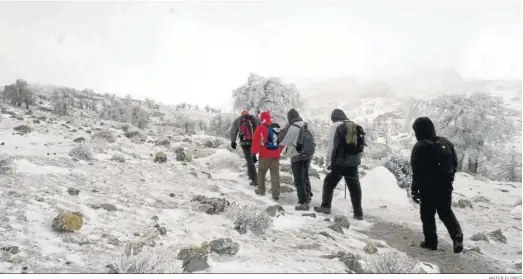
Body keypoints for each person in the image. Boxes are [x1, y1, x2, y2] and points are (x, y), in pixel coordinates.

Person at [410, 117, 464, 253]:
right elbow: (455, 164)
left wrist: (414, 189)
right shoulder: (447, 143)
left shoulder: (420, 146)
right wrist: (449, 179)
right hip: (445, 185)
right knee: (445, 212)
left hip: (427, 187)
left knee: (427, 214)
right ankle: (457, 234)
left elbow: (416, 170)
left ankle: (431, 242)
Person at [314, 109, 364, 220]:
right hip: (353, 162)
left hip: (340, 162)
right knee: (354, 187)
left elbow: (331, 146)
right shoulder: (353, 125)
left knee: (328, 183)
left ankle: (326, 206)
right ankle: (358, 213)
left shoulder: (335, 126)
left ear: (334, 118)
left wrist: (328, 161)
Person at [279, 109, 315, 210]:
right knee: (305, 176)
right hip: (307, 155)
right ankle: (308, 196)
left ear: (289, 117)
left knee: (299, 179)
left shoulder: (292, 127)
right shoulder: (307, 125)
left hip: (296, 156)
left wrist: (285, 128)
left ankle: (303, 203)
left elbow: (282, 140)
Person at [251, 111, 285, 200]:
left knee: (261, 172)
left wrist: (254, 153)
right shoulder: (276, 128)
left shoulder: (260, 128)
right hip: (276, 156)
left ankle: (261, 190)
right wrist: (278, 151)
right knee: (275, 174)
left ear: (262, 118)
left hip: (264, 155)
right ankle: (276, 194)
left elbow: (255, 142)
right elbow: (282, 141)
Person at [230, 109, 259, 186]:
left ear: (241, 114)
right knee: (251, 159)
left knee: (249, 160)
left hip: (244, 143)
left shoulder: (238, 120)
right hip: (253, 142)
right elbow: (260, 128)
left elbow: (233, 130)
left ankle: (255, 180)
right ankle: (250, 176)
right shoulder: (254, 119)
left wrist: (233, 141)